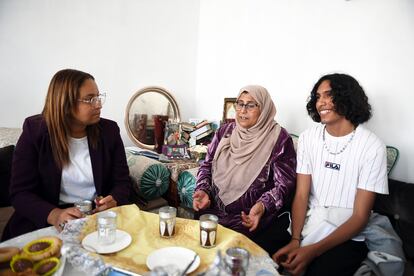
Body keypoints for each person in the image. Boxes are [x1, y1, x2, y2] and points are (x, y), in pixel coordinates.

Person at [273, 73, 388, 276]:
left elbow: (360, 216)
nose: (321, 102)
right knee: (266, 254)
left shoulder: (372, 146)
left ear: (348, 97)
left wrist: (312, 251)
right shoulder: (309, 138)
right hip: (309, 221)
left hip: (349, 233)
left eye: (329, 95)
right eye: (318, 97)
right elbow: (301, 195)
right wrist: (295, 240)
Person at [2, 69, 131, 241]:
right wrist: (54, 215)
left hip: (97, 222)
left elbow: (123, 183)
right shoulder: (35, 132)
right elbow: (20, 194)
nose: (99, 104)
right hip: (45, 222)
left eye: (99, 97)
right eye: (90, 99)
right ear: (65, 103)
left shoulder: (109, 131)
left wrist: (114, 199)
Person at [193, 85, 296, 255]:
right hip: (214, 211)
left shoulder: (279, 138)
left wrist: (263, 206)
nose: (242, 111)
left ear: (263, 109)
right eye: (240, 104)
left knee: (229, 260)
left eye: (250, 105)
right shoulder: (225, 131)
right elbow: (207, 165)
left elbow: (284, 184)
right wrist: (203, 189)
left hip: (249, 218)